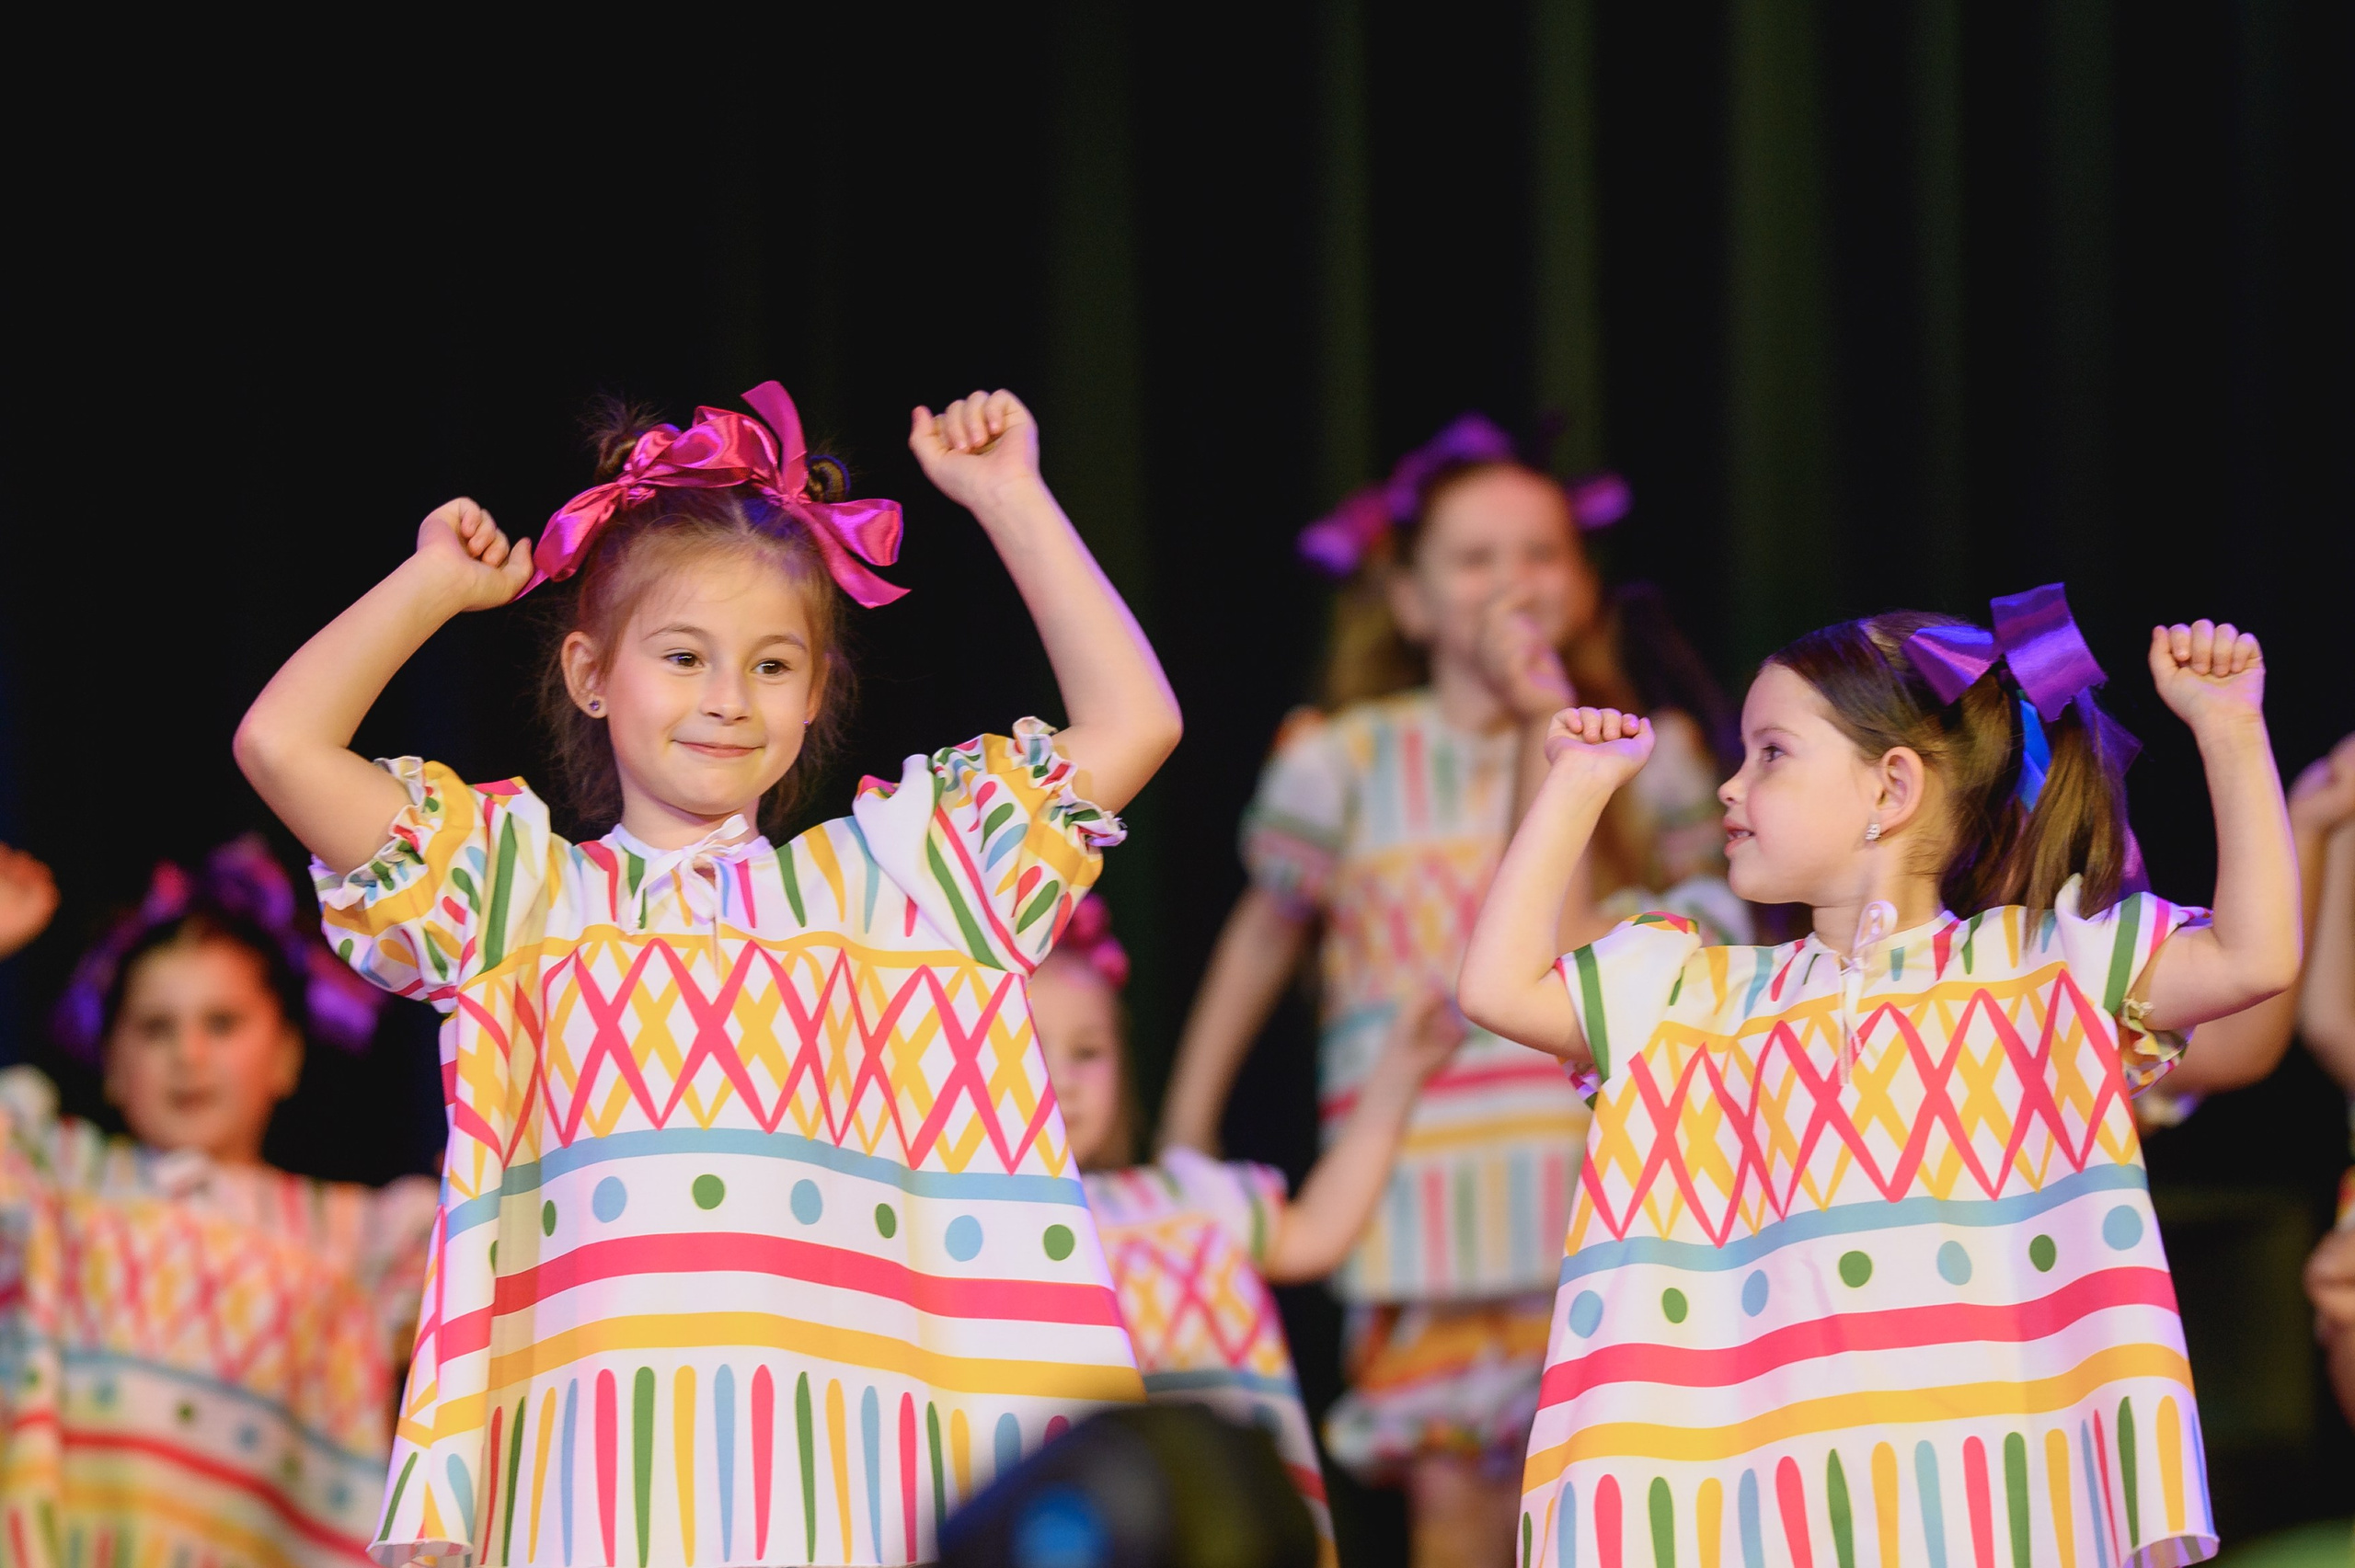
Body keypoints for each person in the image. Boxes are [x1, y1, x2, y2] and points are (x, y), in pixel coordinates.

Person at [231, 383, 1181, 1568]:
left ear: (818, 689)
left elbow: (1135, 722)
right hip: (594, 1493)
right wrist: (431, 584)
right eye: (682, 656)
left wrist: (1010, 497)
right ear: (591, 673)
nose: (728, 699)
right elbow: (281, 746)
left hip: (853, 1489)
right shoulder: (516, 897)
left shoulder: (908, 883)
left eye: (774, 664)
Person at [1461, 589, 2302, 1567]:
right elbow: (1497, 986)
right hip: (1765, 1509)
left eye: (1770, 753)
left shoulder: (2046, 969)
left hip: (1990, 1506)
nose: (1731, 787)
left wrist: (2232, 733)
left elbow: (2254, 956)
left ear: (1890, 789)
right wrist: (1575, 783)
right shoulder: (1689, 996)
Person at [1156, 416, 1744, 1568]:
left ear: (1581, 582)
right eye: (1475, 559)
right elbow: (1264, 934)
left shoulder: (1652, 753)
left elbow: (1693, 942)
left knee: (1603, 1481)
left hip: (1590, 1176)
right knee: (1456, 1510)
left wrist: (1547, 717)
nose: (1512, 582)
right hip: (1421, 1187)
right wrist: (1186, 1124)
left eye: (1540, 554)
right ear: (1412, 600)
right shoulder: (1347, 755)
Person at [0, 839, 437, 1568]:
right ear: (109, 1061)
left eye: (222, 1024)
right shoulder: (59, 1175)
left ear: (288, 1052)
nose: (188, 1055)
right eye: (155, 1027)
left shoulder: (359, 1236)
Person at [1031, 894, 1462, 1562]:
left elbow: (1317, 1232)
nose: (1064, 1078)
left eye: (1089, 1050)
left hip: (1248, 1526)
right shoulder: (996, 1236)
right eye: (1031, 1048)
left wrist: (1399, 1075)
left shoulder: (1191, 1197)